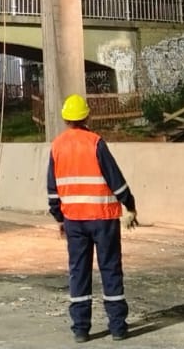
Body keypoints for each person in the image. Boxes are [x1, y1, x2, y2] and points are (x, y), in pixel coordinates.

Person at [47, 94, 137, 342]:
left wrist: (59, 218)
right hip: (103, 218)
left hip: (74, 220)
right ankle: (117, 327)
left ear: (65, 119)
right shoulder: (96, 143)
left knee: (78, 271)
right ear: (87, 116)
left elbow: (52, 190)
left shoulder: (57, 146)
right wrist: (130, 204)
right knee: (110, 269)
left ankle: (80, 329)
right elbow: (116, 180)